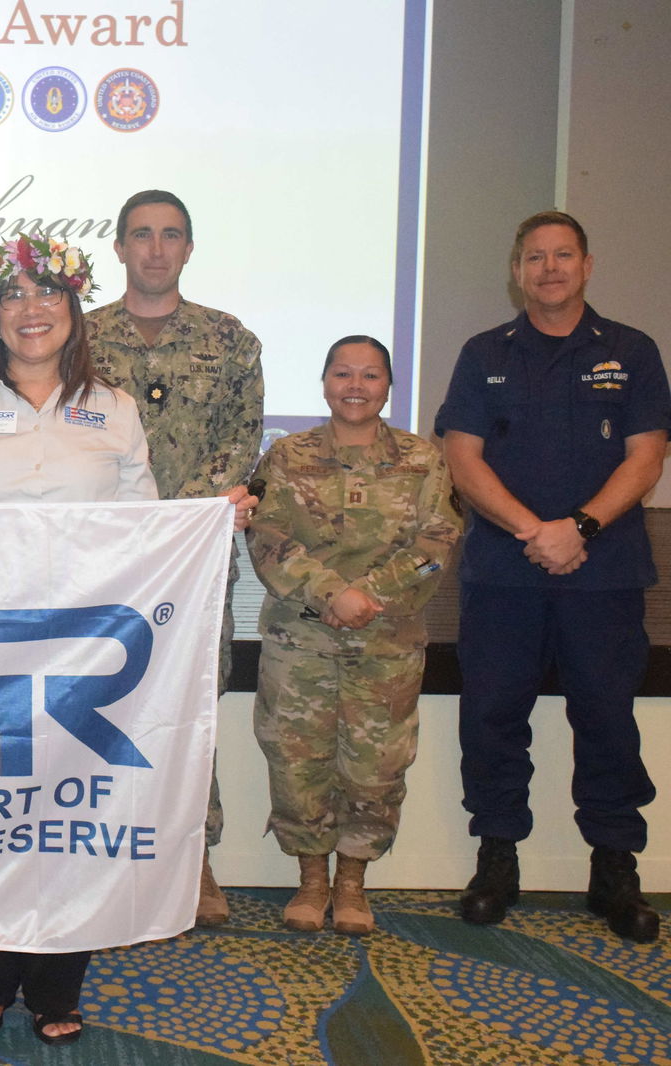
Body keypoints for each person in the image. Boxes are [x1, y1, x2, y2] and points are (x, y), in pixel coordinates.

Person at [0, 233, 255, 1047]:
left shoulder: (115, 408)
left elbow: (148, 522)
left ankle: (59, 981)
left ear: (73, 312)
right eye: (15, 297)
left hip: (82, 649)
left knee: (70, 814)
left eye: (48, 296)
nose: (32, 311)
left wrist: (209, 519)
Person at [435, 210, 669, 943]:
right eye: (534, 257)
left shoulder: (632, 351)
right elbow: (463, 457)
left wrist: (581, 529)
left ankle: (614, 867)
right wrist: (534, 530)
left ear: (588, 265)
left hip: (603, 576)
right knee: (493, 715)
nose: (549, 268)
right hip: (506, 572)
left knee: (605, 717)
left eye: (563, 255)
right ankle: (497, 858)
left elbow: (646, 456)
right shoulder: (483, 353)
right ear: (517, 270)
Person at [87, 189, 264, 925]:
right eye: (141, 235)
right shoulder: (78, 338)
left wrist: (178, 524)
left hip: (191, 561)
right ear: (119, 247)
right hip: (100, 561)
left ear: (188, 249)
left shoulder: (229, 341)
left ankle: (197, 857)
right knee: (93, 706)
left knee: (191, 704)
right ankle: (91, 853)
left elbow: (241, 440)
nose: (155, 248)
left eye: (170, 236)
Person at [245, 336, 460, 935]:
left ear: (389, 385)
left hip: (387, 642)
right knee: (296, 759)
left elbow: (436, 542)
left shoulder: (423, 459)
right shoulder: (288, 455)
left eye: (370, 375)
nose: (356, 386)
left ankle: (352, 883)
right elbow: (266, 536)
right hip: (301, 638)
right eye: (343, 374)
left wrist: (371, 595)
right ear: (324, 383)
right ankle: (312, 880)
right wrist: (330, 593)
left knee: (376, 765)